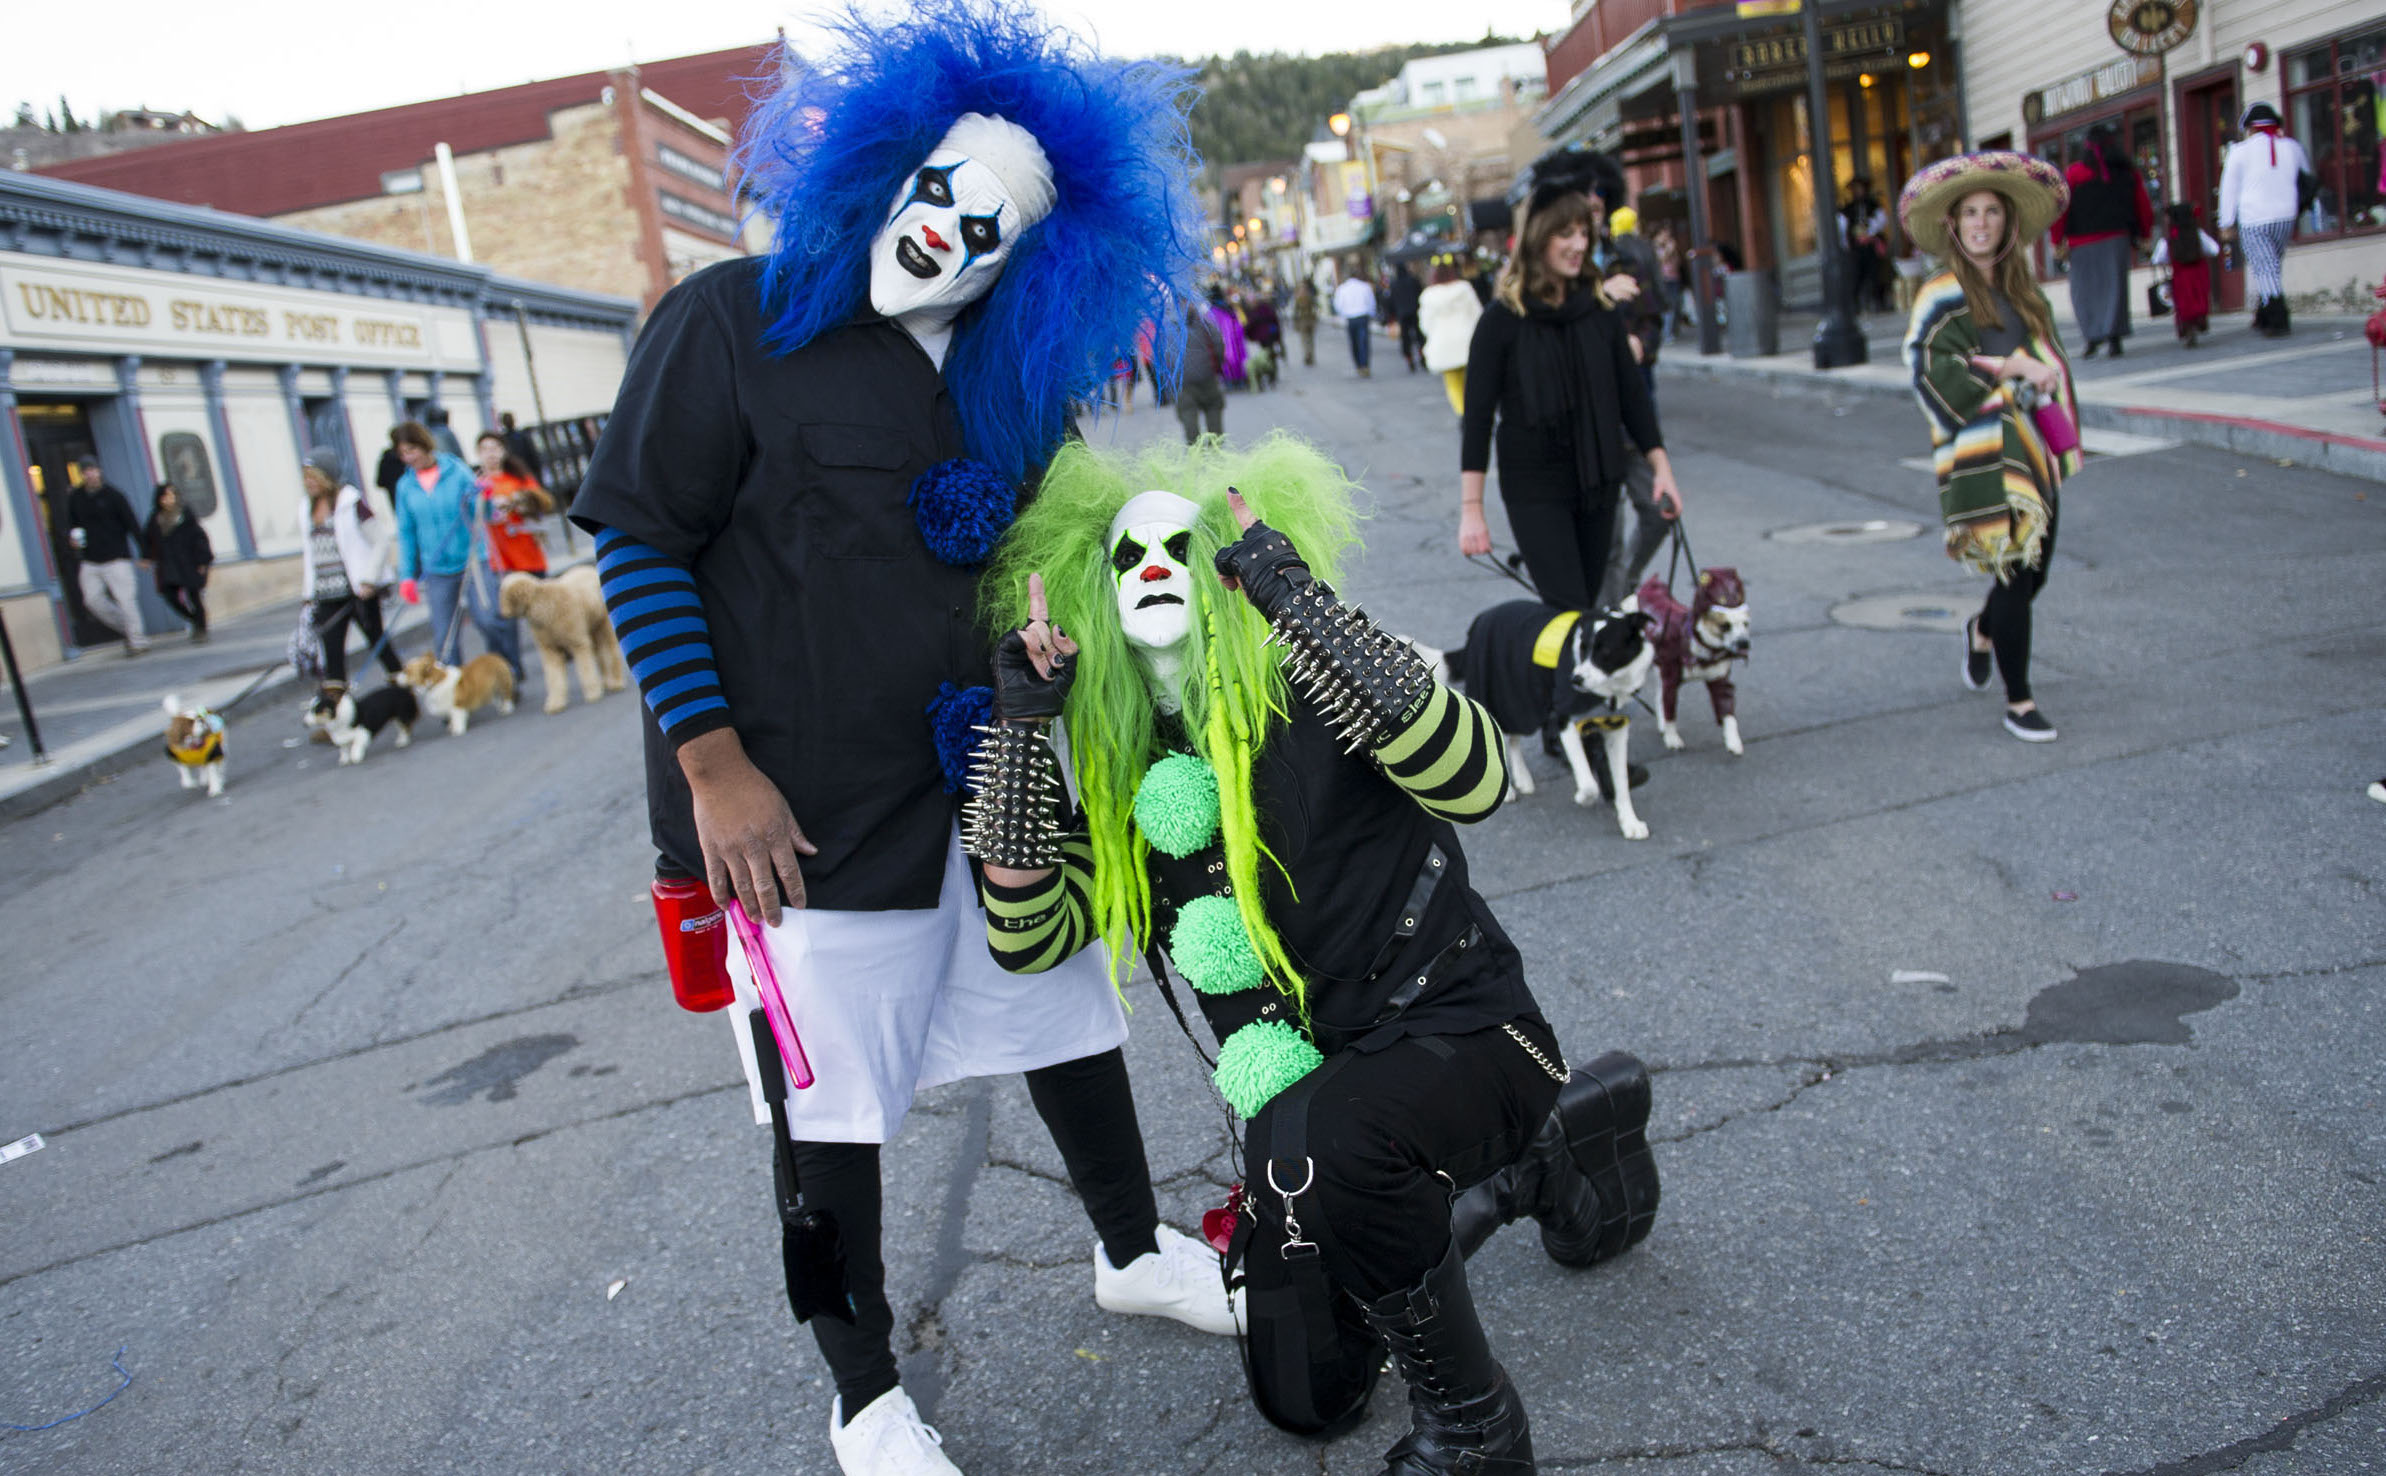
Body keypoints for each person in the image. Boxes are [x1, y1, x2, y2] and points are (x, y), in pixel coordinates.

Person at [566, 6, 1232, 1471]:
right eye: (936, 193)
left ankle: (1131, 1250)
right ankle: (859, 1389)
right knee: (826, 1111)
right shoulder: (732, 320)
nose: (947, 234)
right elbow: (636, 538)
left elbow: (1059, 553)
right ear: (887, 170)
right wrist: (713, 771)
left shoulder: (1009, 382)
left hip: (990, 780)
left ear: (1033, 258)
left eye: (989, 227)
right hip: (793, 814)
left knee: (1068, 1018)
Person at [972, 436, 1659, 1476]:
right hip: (1319, 1101)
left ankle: (1475, 1429)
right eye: (1127, 558)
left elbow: (1479, 780)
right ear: (1093, 598)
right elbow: (1024, 938)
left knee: (1306, 1150)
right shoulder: (1130, 786)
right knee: (1306, 1398)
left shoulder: (1315, 684)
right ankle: (1539, 1160)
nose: (1153, 567)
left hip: (1469, 1033)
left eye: (1178, 548)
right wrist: (1024, 727)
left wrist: (1301, 609)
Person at [1898, 152, 2079, 744]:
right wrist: (2009, 364)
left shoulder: (2026, 295)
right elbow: (1928, 370)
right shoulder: (1940, 294)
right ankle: (2020, 701)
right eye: (1970, 213)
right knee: (2018, 572)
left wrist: (2044, 372)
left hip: (2032, 449)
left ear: (2006, 223)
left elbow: (2048, 359)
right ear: (1953, 225)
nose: (1981, 223)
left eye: (1992, 212)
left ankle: (1982, 629)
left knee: (2035, 574)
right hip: (1983, 455)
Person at [1457, 158, 1683, 616]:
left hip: (1599, 481)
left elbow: (1631, 397)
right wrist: (1472, 510)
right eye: (1567, 234)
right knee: (1568, 611)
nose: (1579, 244)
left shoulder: (1599, 312)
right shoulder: (1502, 320)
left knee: (1589, 606)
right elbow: (1478, 418)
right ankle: (1570, 687)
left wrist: (1662, 469)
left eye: (1585, 233)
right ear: (1540, 236)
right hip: (1535, 490)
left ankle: (1580, 686)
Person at [392, 420, 519, 678]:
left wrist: (484, 497)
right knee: (444, 635)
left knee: (488, 620)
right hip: (437, 568)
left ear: (424, 445)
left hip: (472, 560)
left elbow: (485, 515)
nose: (408, 457)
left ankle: (507, 673)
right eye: (403, 453)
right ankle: (454, 692)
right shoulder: (405, 486)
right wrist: (407, 576)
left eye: (412, 450)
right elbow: (406, 533)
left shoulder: (456, 470)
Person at [299, 448, 402, 702]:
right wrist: (308, 592)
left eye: (314, 476)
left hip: (357, 590)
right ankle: (335, 713)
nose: (309, 482)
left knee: (378, 643)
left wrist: (369, 579)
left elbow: (380, 541)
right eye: (306, 477)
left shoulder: (351, 502)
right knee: (331, 653)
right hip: (326, 592)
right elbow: (309, 554)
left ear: (327, 477)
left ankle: (402, 693)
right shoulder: (306, 508)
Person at [2050, 125, 2154, 358]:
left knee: (2084, 292)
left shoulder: (2075, 174)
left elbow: (2061, 209)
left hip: (2081, 241)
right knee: (2115, 289)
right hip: (2117, 238)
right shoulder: (2128, 172)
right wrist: (2145, 235)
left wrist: (2057, 240)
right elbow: (2143, 206)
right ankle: (2114, 337)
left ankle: (2091, 336)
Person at [2219, 103, 2313, 339]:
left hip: (2254, 218)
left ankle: (2276, 314)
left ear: (2250, 128)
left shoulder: (2239, 151)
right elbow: (2306, 178)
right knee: (2271, 265)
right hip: (2285, 215)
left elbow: (2228, 189)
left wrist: (2226, 221)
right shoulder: (2292, 147)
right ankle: (2263, 312)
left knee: (2265, 266)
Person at [64, 457, 150, 655]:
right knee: (92, 600)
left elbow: (132, 523)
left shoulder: (114, 496)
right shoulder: (76, 497)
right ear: (81, 474)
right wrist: (73, 540)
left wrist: (144, 553)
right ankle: (129, 628)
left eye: (93, 470)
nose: (90, 474)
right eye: (86, 471)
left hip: (116, 556)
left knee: (126, 599)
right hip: (90, 559)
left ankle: (138, 641)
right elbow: (72, 524)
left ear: (99, 471)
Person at [474, 431, 553, 575]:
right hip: (498, 559)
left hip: (528, 553)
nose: (490, 454)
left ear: (503, 451)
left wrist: (514, 501)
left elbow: (543, 502)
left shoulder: (519, 478)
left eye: (495, 448)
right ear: (478, 454)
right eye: (485, 449)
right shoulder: (476, 484)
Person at [142, 481, 213, 641]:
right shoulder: (156, 518)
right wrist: (146, 558)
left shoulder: (185, 514)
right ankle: (195, 619)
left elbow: (199, 537)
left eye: (172, 495)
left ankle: (201, 629)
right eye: (166, 496)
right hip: (168, 564)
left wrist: (202, 561)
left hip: (189, 562)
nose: (169, 499)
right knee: (170, 596)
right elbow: (148, 539)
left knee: (193, 596)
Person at [1417, 261, 1483, 416]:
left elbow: (1426, 324)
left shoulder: (1429, 295)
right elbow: (1477, 314)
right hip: (1467, 341)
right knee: (1472, 382)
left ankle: (1463, 415)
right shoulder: (1464, 289)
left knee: (1453, 385)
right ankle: (1475, 412)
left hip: (1443, 345)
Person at [2153, 203, 2221, 348]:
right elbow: (2214, 249)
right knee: (2199, 299)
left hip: (2180, 276)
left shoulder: (2169, 239)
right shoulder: (2197, 234)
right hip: (2198, 274)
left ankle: (2188, 328)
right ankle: (2201, 320)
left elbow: (2157, 259)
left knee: (2184, 304)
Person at [1177, 296, 1227, 442]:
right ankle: (1215, 452)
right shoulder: (1205, 324)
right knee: (1213, 413)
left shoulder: (1168, 328)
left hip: (1183, 383)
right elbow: (1219, 345)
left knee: (1189, 419)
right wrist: (1216, 367)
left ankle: (1196, 453)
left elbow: (1161, 358)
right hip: (1206, 378)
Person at [1332, 268, 1377, 377]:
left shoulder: (1342, 289)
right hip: (1362, 316)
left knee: (1355, 343)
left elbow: (1338, 305)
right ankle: (1364, 364)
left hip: (1351, 318)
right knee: (1363, 342)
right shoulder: (1365, 287)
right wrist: (1371, 314)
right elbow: (1371, 302)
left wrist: (1344, 314)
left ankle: (1359, 365)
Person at [1387, 261, 1425, 371]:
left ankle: (1409, 359)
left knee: (1405, 339)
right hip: (1415, 312)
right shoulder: (1413, 280)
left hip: (1402, 314)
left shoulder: (1394, 284)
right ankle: (1422, 355)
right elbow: (1420, 294)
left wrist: (1391, 315)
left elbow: (1391, 301)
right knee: (1419, 336)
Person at [498, 410, 546, 483]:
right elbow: (533, 457)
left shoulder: (504, 439)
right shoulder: (521, 436)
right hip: (520, 474)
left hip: (522, 474)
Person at [1290, 278, 1319, 366]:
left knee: (1305, 340)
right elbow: (1315, 307)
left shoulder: (1298, 298)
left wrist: (1295, 323)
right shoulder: (1309, 296)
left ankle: (1308, 355)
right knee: (1310, 339)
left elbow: (1295, 312)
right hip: (1309, 320)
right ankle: (1310, 355)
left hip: (1304, 321)